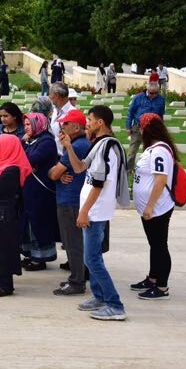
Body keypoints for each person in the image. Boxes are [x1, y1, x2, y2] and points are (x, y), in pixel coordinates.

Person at [60, 105, 130, 321]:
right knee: (93, 258)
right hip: (94, 210)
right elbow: (80, 168)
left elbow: (98, 184)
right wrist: (69, 147)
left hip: (95, 212)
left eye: (90, 119)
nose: (86, 123)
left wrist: (84, 212)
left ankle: (115, 305)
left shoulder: (107, 147)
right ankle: (99, 297)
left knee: (92, 260)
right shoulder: (99, 144)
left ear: (100, 123)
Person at [0, 134, 32, 297]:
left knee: (3, 248)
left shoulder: (12, 169)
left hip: (5, 213)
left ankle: (6, 285)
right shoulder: (1, 166)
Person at [131, 113, 176, 300]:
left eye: (141, 128)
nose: (140, 131)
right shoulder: (153, 149)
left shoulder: (160, 151)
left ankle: (162, 286)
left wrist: (150, 206)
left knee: (159, 246)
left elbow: (160, 180)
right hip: (150, 208)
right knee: (154, 245)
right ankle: (152, 278)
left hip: (158, 208)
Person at [49, 109, 92, 296]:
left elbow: (55, 173)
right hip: (69, 199)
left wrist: (55, 174)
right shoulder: (76, 143)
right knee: (72, 242)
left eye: (66, 124)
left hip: (71, 200)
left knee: (73, 242)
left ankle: (77, 282)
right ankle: (77, 276)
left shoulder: (77, 145)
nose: (62, 126)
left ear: (76, 126)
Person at [21, 113, 60, 270]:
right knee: (29, 223)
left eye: (29, 124)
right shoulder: (33, 140)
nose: (26, 128)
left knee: (39, 223)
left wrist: (23, 147)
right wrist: (23, 142)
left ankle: (41, 258)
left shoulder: (47, 141)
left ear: (39, 124)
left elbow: (29, 159)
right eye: (25, 125)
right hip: (30, 190)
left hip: (41, 192)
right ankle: (32, 255)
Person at [126, 81, 165, 168]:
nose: (153, 95)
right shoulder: (138, 97)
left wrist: (161, 128)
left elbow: (161, 115)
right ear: (147, 90)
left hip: (152, 128)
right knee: (132, 151)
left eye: (156, 93)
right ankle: (127, 171)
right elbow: (131, 112)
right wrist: (128, 127)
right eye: (151, 93)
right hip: (138, 126)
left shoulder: (161, 99)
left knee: (150, 151)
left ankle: (147, 169)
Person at [48, 82, 77, 156]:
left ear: (56, 95)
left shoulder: (73, 113)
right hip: (52, 155)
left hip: (65, 158)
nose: (49, 97)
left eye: (50, 94)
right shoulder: (55, 110)